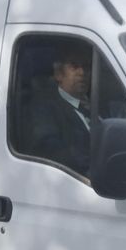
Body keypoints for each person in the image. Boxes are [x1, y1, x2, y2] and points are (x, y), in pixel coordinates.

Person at [26, 41, 94, 174]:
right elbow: (49, 149)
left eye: (86, 66)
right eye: (74, 65)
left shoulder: (102, 103)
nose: (82, 72)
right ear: (58, 73)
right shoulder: (43, 108)